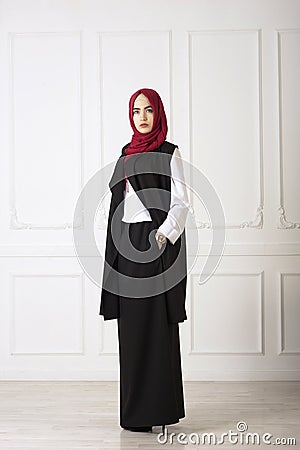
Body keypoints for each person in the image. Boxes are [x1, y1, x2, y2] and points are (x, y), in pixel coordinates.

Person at [99, 88, 190, 433]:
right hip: (127, 250)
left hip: (156, 247)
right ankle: (135, 416)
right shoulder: (125, 154)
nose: (142, 117)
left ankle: (160, 410)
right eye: (136, 111)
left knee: (156, 330)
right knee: (133, 332)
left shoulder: (169, 152)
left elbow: (181, 203)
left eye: (148, 110)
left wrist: (163, 234)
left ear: (158, 114)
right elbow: (119, 204)